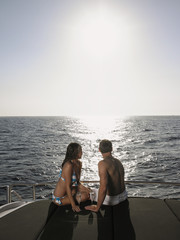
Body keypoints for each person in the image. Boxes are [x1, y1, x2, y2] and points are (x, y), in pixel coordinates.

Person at [85, 139, 128, 212]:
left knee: (87, 193)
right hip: (124, 195)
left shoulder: (102, 164)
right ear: (111, 149)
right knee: (92, 190)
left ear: (99, 150)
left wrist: (97, 207)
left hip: (112, 199)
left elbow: (103, 188)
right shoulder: (118, 161)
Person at [52, 142, 90, 212]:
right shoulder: (68, 165)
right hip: (59, 198)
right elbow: (67, 187)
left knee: (89, 191)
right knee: (86, 196)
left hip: (71, 192)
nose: (82, 152)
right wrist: (73, 205)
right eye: (81, 151)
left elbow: (77, 183)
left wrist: (87, 190)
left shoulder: (79, 164)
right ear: (76, 153)